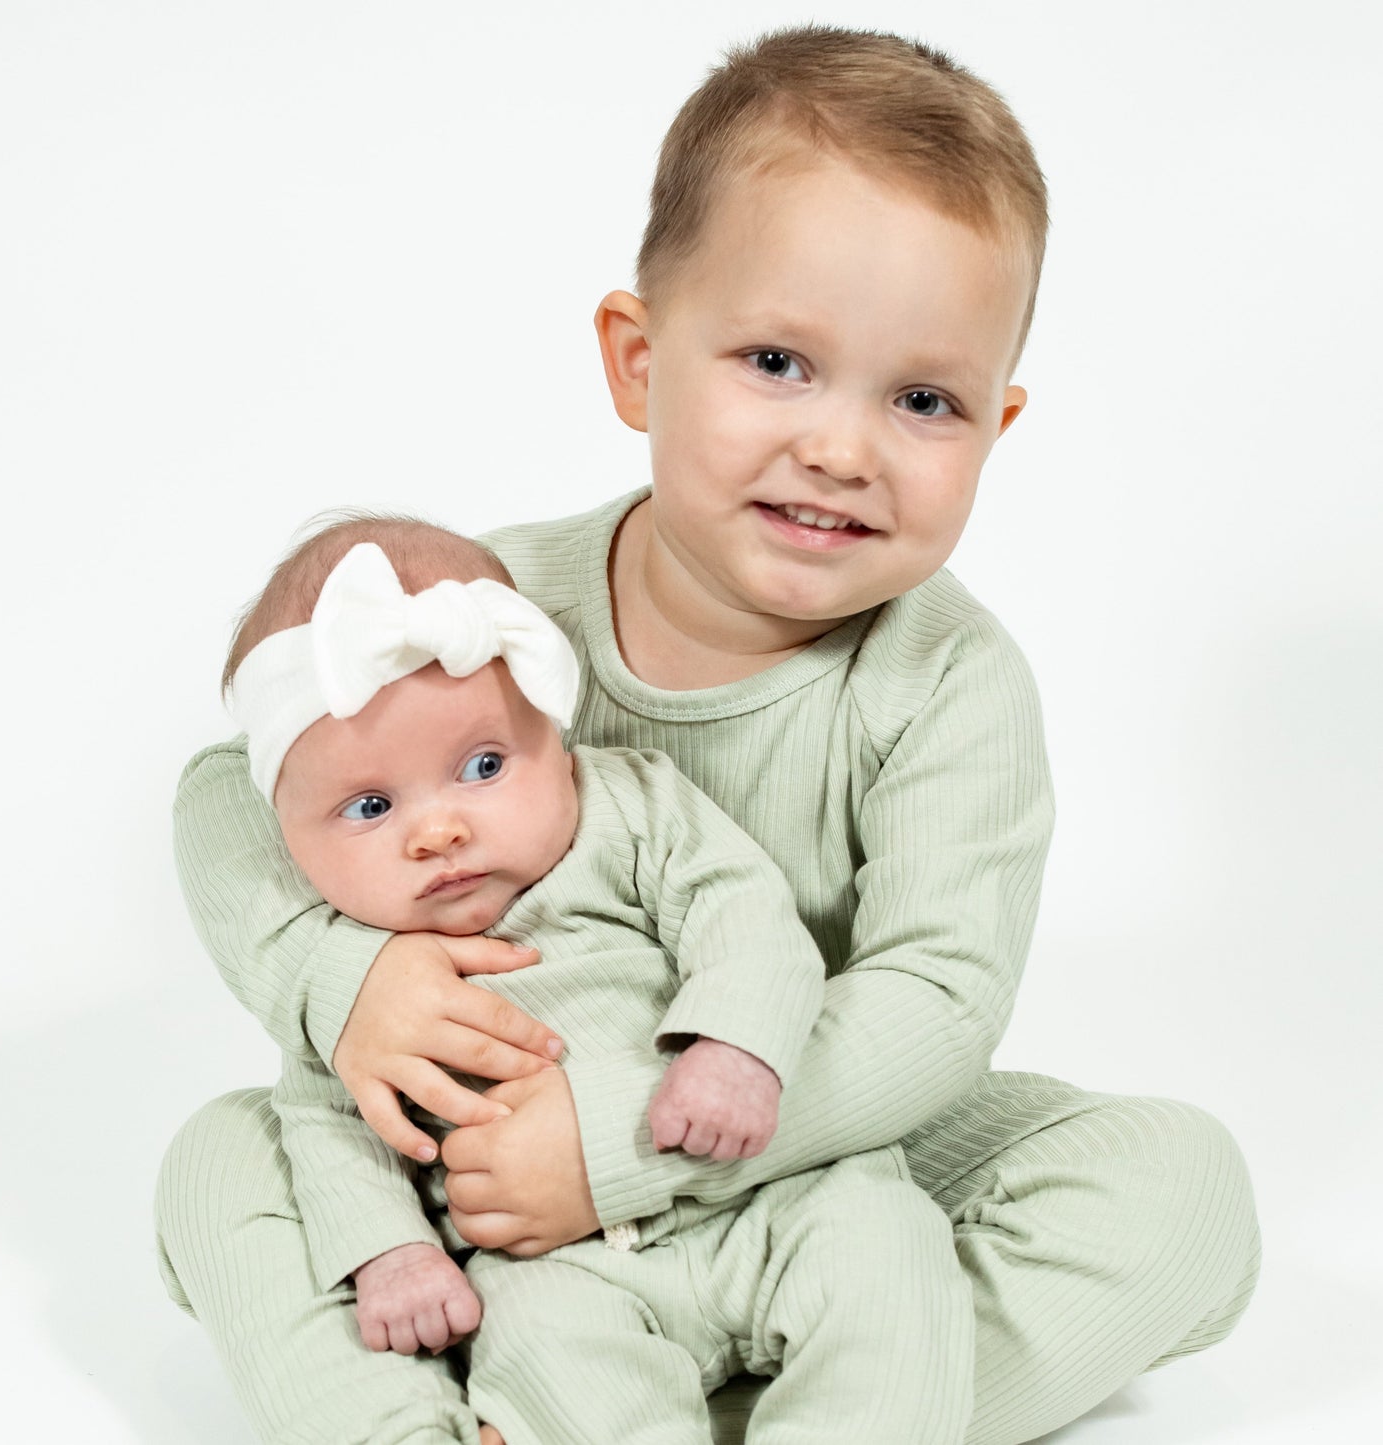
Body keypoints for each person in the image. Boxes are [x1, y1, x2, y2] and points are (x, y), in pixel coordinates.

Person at [156, 24, 1260, 1445]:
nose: (842, 449)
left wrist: (617, 1142)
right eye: (778, 360)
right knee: (221, 1165)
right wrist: (340, 977)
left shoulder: (947, 681)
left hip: (812, 1145)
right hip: (482, 1157)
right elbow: (228, 793)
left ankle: (731, 1400)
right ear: (638, 361)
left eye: (923, 400)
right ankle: (425, 1418)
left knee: (1182, 1191)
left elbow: (933, 1001)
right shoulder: (480, 614)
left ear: (996, 426)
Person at [222, 518, 972, 1445]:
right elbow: (328, 1123)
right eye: (370, 806)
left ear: (556, 734)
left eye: (484, 765)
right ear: (289, 839)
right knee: (546, 1355)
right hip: (552, 1264)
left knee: (886, 1257)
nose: (439, 831)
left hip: (766, 1192)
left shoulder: (630, 807)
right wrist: (396, 1255)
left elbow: (741, 909)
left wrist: (732, 1045)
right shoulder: (349, 968)